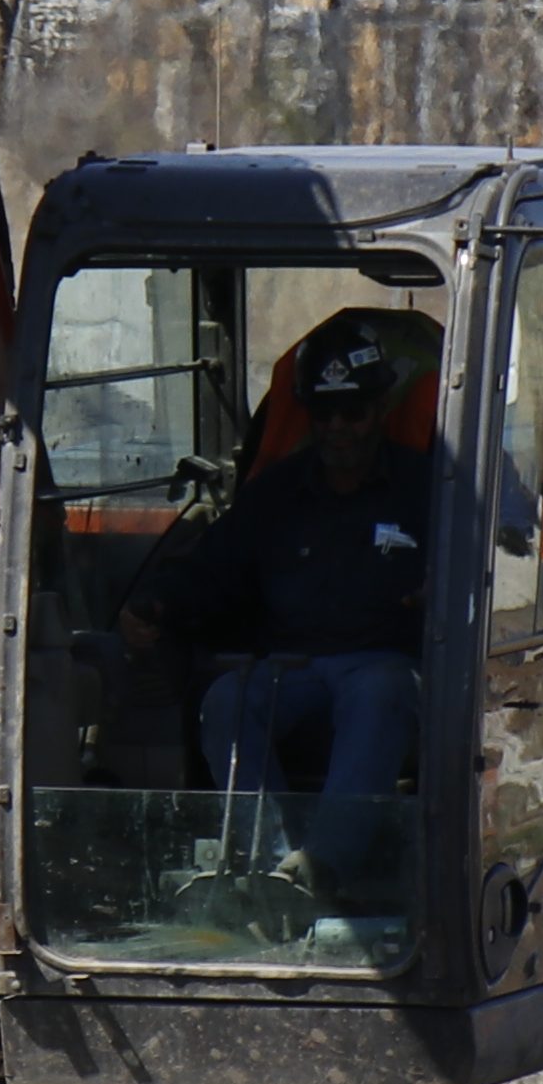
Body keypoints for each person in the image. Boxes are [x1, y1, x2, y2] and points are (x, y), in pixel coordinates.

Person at [120, 310, 442, 889]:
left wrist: (439, 590)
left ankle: (324, 869)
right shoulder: (276, 495)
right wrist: (154, 604)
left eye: (353, 412)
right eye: (325, 414)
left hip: (387, 667)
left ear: (380, 410)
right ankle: (274, 864)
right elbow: (212, 568)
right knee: (225, 701)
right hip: (291, 670)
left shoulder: (428, 490)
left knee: (380, 690)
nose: (339, 428)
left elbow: (495, 560)